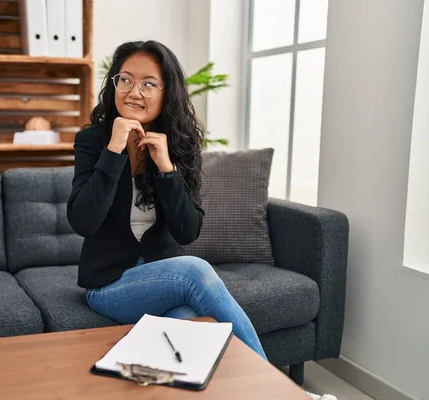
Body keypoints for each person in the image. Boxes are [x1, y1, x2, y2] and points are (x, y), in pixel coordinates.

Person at [66, 40, 335, 400]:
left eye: (149, 83)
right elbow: (83, 221)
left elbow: (187, 230)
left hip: (161, 281)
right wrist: (113, 151)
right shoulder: (93, 140)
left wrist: (166, 169)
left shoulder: (178, 145)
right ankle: (284, 395)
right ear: (113, 83)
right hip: (110, 285)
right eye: (125, 79)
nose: (134, 91)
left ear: (167, 93)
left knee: (186, 322)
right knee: (194, 271)